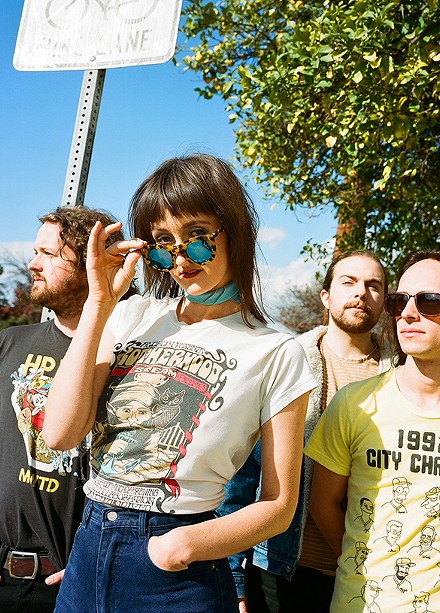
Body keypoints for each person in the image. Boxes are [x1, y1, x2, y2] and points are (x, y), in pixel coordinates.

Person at [42, 154, 317, 613]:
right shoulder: (130, 314)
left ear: (235, 231)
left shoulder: (276, 352)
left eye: (197, 238)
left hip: (176, 570)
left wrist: (179, 547)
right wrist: (97, 304)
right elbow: (60, 433)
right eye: (161, 244)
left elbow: (279, 503)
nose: (180, 259)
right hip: (88, 550)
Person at [305, 249, 440, 612]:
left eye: (429, 302)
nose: (408, 313)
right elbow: (322, 503)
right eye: (399, 301)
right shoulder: (353, 404)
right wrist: (364, 566)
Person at [220, 250, 392, 612]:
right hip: (284, 569)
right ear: (326, 296)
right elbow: (241, 478)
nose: (361, 292)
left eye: (373, 285)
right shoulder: (285, 364)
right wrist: (234, 579)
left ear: (385, 303)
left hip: (374, 575)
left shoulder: (403, 377)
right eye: (349, 282)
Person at [0, 206, 127, 612]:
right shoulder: (10, 344)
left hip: (79, 586)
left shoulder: (131, 358)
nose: (33, 264)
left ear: (96, 265)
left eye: (49, 255)